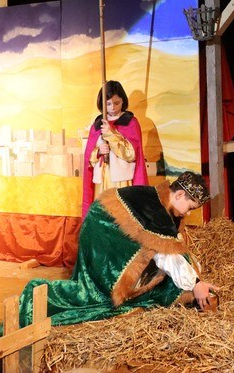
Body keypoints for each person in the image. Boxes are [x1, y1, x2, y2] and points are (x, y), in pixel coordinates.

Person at [16, 171, 219, 327]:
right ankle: (55, 293)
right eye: (191, 208)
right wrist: (195, 284)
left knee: (162, 271)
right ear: (180, 194)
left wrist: (196, 279)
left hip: (107, 228)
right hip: (102, 231)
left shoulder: (164, 203)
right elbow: (166, 254)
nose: (189, 214)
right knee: (98, 293)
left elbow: (174, 248)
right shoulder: (155, 209)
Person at [82, 80, 148, 217]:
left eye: (117, 103)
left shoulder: (130, 122)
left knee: (120, 217)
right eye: (108, 104)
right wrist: (98, 152)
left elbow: (131, 154)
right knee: (103, 217)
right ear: (102, 103)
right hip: (102, 180)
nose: (113, 107)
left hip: (122, 181)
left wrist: (111, 134)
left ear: (123, 101)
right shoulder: (97, 124)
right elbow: (89, 159)